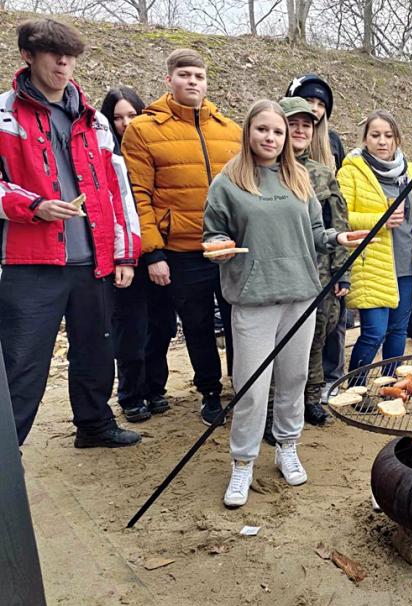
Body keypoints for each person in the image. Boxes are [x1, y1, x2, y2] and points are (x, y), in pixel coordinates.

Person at [203, 100, 360, 507]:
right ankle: (242, 463)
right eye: (263, 130)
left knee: (292, 379)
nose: (270, 138)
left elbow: (315, 232)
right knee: (252, 387)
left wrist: (337, 240)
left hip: (299, 294)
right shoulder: (229, 181)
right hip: (253, 298)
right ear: (249, 132)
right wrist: (217, 246)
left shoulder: (299, 179)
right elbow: (214, 231)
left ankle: (287, 445)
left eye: (277, 132)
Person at [0, 18, 141, 447]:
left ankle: (94, 427)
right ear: (28, 55)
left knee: (97, 353)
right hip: (31, 265)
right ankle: (7, 453)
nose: (64, 63)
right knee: (22, 364)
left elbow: (117, 193)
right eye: (53, 54)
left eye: (71, 56)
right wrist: (34, 207)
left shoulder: (95, 121)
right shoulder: (4, 113)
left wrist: (124, 253)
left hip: (93, 261)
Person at [122, 49, 241, 427]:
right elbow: (138, 195)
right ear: (169, 80)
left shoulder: (230, 130)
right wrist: (153, 252)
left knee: (241, 321)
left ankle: (243, 385)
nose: (193, 81)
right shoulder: (144, 130)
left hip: (230, 248)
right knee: (197, 325)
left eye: (199, 76)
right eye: (185, 74)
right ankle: (209, 393)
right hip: (181, 250)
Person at [101, 86, 178, 423]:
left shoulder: (153, 148)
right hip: (125, 256)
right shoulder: (107, 156)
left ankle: (155, 388)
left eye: (131, 115)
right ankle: (131, 393)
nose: (125, 123)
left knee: (161, 325)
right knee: (130, 328)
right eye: (117, 118)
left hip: (158, 248)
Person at [338, 110, 412, 382]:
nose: (382, 141)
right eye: (375, 135)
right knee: (374, 332)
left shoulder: (411, 171)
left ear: (397, 139)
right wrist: (380, 220)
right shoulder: (351, 171)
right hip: (373, 265)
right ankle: (356, 385)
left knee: (398, 331)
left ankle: (390, 385)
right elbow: (341, 217)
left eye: (388, 136)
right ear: (365, 139)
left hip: (406, 266)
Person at [280, 96, 350, 425]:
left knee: (317, 335)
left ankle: (310, 398)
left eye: (306, 125)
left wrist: (342, 273)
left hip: (318, 271)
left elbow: (339, 224)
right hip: (276, 272)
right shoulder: (262, 169)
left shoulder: (322, 174)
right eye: (292, 124)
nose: (300, 130)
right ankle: (275, 406)